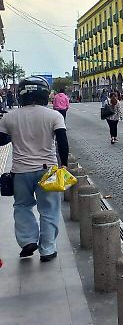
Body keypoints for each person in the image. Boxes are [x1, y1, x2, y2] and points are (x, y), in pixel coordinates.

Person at [0, 76, 69, 262]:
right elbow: (62, 141)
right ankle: (47, 249)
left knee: (22, 206)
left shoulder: (9, 117)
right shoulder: (54, 115)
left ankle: (28, 240)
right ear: (44, 94)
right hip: (48, 170)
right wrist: (64, 165)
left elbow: (2, 140)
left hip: (20, 170)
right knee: (49, 209)